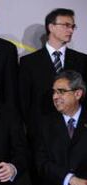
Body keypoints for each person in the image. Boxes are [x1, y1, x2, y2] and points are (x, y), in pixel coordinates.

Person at [19, 8, 87, 137]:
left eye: (73, 26)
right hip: (40, 133)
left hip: (75, 132)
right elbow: (24, 102)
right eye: (66, 25)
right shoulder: (28, 62)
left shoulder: (82, 60)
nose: (71, 30)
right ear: (51, 27)